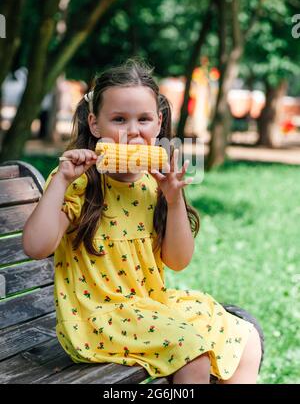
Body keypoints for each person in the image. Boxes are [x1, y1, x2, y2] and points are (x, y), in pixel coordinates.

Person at [22, 58, 262, 384]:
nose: (133, 131)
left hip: (148, 305)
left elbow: (177, 260)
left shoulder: (156, 182)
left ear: (159, 123)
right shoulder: (80, 182)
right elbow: (36, 247)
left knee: (244, 337)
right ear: (94, 125)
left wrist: (174, 200)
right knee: (193, 353)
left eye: (144, 120)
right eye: (119, 119)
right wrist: (60, 182)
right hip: (97, 319)